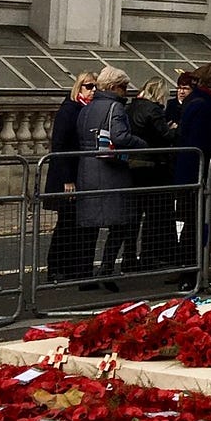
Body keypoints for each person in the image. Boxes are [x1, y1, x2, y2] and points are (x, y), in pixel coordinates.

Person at [74, 66, 140, 289]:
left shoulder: (86, 108)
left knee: (89, 226)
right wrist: (142, 144)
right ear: (114, 87)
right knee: (121, 222)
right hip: (111, 170)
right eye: (123, 87)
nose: (126, 91)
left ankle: (85, 274)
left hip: (87, 169)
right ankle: (106, 267)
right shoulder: (115, 108)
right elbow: (120, 137)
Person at [177, 62, 211, 287]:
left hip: (197, 173)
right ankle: (191, 273)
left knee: (199, 224)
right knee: (195, 225)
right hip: (198, 175)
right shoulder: (204, 106)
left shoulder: (199, 102)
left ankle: (196, 270)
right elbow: (202, 142)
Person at [43, 73, 97, 283]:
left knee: (75, 223)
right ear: (79, 87)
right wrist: (67, 179)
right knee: (66, 223)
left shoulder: (85, 109)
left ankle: (71, 266)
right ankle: (56, 267)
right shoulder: (69, 109)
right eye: (88, 86)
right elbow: (60, 145)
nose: (92, 90)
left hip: (80, 173)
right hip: (67, 175)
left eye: (94, 87)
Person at [128, 77, 180, 272]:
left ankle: (129, 257)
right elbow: (165, 135)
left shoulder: (131, 107)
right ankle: (149, 256)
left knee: (133, 216)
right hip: (152, 165)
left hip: (133, 165)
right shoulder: (154, 110)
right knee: (154, 214)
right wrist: (174, 129)